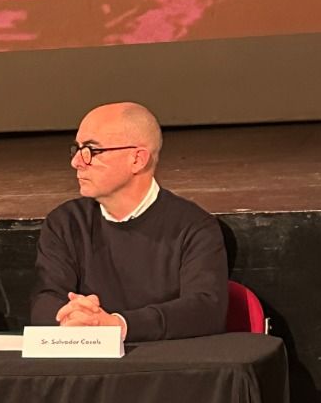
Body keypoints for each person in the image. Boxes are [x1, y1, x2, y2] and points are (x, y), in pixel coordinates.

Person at [31, 102, 228, 341]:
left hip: (164, 362)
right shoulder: (66, 223)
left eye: (91, 150)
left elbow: (205, 310)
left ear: (137, 159)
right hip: (86, 360)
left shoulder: (194, 227)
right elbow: (46, 300)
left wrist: (120, 325)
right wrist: (73, 318)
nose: (76, 162)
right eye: (77, 149)